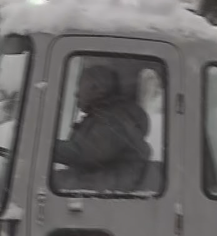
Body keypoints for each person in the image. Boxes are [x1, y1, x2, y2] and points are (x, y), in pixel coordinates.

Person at [53, 64, 151, 193]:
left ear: (97, 88)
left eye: (80, 86)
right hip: (104, 188)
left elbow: (83, 154)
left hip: (110, 194)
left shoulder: (114, 120)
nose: (76, 93)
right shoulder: (103, 116)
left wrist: (45, 147)